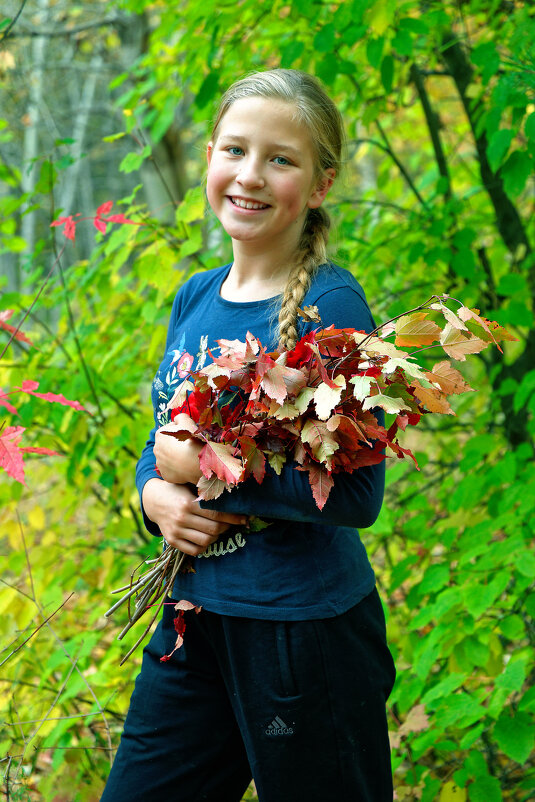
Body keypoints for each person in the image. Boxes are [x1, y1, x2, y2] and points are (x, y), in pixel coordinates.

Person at [101, 68, 396, 802]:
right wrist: (152, 495)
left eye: (280, 159)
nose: (250, 175)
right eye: (234, 150)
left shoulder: (330, 306)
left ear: (321, 184)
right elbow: (161, 431)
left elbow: (356, 493)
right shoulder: (195, 296)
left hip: (302, 635)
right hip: (193, 624)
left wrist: (205, 465)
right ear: (208, 157)